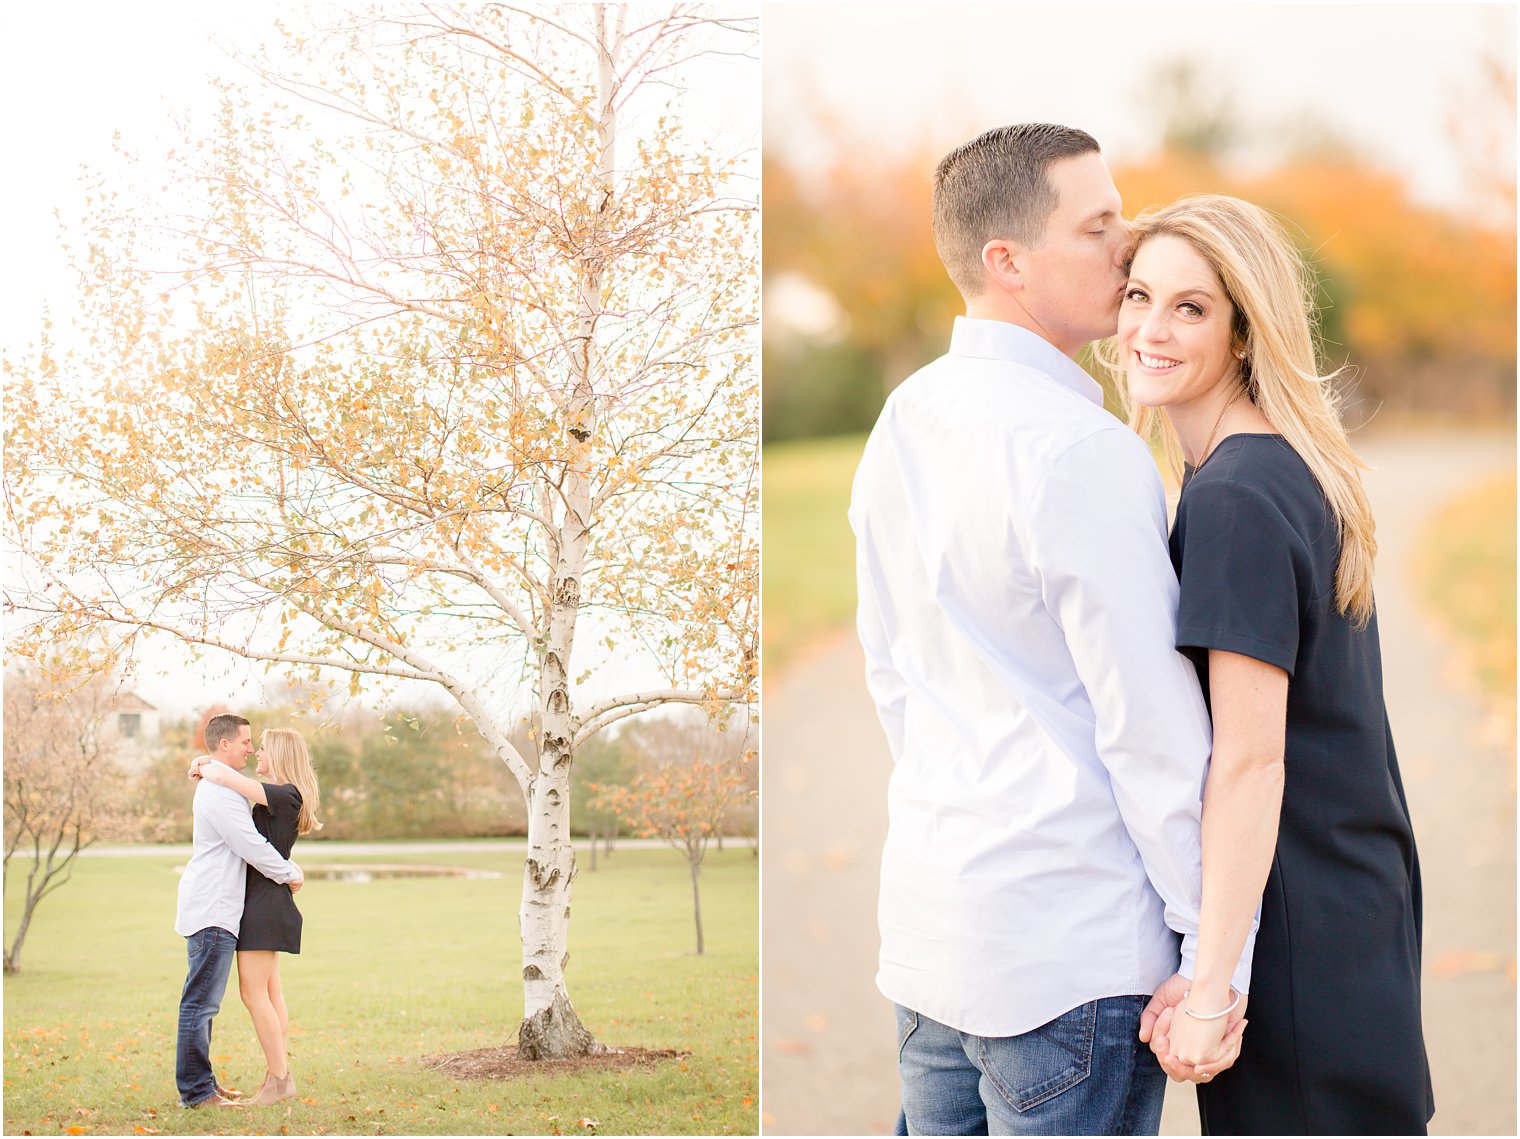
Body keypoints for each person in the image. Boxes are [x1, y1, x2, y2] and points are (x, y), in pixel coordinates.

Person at [849, 123, 1249, 1136]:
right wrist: (1213, 960)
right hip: (1067, 960)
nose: (1128, 245)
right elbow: (1152, 734)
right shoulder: (1080, 450)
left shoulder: (905, 415)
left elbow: (890, 673)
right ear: (1007, 263)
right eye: (1097, 225)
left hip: (936, 940)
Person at [1113, 194, 1433, 1134]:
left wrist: (1209, 982)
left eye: (1192, 306)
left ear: (1246, 333)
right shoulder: (1278, 465)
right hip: (1351, 904)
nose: (1150, 328)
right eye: (1139, 294)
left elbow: (1252, 759)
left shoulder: (1237, 498)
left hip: (1300, 935)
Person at [175, 713, 304, 1109]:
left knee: (233, 998)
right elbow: (248, 843)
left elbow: (250, 833)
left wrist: (205, 763)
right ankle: (200, 1092)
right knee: (204, 1003)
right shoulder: (219, 791)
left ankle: (255, 1080)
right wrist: (289, 871)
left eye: (258, 744)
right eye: (247, 742)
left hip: (236, 907)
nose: (252, 749)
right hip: (216, 909)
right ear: (226, 744)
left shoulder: (245, 789)